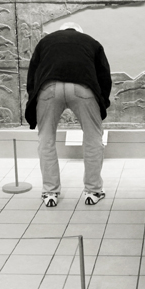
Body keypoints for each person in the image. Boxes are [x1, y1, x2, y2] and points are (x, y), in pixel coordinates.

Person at [25, 22, 112, 207]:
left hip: (48, 88)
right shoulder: (91, 42)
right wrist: (102, 101)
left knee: (46, 140)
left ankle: (50, 193)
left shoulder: (45, 42)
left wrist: (33, 97)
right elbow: (104, 74)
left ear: (61, 31)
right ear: (80, 32)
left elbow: (32, 74)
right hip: (83, 88)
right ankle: (93, 191)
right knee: (93, 138)